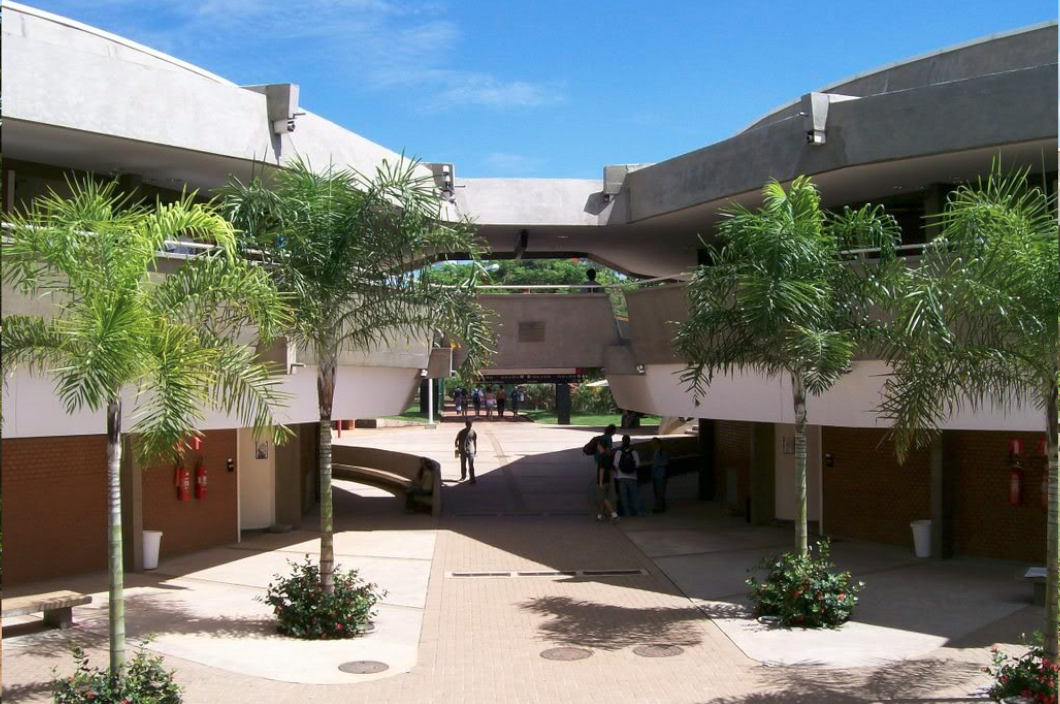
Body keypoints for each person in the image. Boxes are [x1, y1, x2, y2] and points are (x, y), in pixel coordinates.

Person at [615, 435, 643, 517]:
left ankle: (628, 513)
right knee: (634, 496)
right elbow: (637, 464)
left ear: (622, 441)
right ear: (629, 441)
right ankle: (638, 512)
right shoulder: (634, 452)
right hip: (632, 477)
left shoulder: (619, 452)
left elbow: (615, 464)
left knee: (624, 497)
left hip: (621, 477)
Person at [594, 438, 618, 522]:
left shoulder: (601, 456)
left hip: (602, 480)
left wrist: (600, 482)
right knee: (603, 498)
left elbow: (601, 469)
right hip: (608, 479)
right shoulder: (608, 456)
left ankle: (613, 513)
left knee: (603, 498)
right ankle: (600, 515)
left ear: (600, 446)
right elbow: (611, 469)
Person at [650, 437, 669, 513]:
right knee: (659, 491)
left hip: (659, 474)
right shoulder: (660, 451)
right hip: (660, 474)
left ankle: (659, 507)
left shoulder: (660, 452)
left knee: (659, 491)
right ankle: (661, 505)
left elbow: (657, 464)